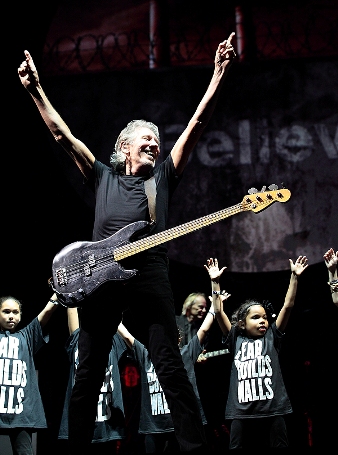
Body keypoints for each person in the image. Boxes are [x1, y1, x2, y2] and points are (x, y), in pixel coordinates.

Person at [18, 31, 236, 455]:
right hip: (99, 279)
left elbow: (197, 123)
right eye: (146, 138)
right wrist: (36, 91)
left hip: (150, 275)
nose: (155, 142)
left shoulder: (162, 180)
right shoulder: (102, 176)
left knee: (172, 368)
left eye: (157, 137)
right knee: (87, 374)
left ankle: (195, 448)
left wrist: (218, 75)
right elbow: (63, 137)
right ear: (124, 147)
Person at [205, 255, 308, 450]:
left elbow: (288, 305)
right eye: (255, 317)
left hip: (273, 410)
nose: (262, 321)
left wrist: (294, 277)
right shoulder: (235, 337)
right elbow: (219, 313)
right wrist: (215, 282)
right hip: (241, 413)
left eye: (264, 318)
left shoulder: (272, 336)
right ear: (242, 323)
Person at [117, 294, 217, 455]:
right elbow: (127, 336)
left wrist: (214, 306)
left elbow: (204, 329)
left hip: (182, 424)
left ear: (178, 339)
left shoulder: (185, 353)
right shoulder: (145, 354)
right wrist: (112, 316)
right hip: (154, 426)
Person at [58, 308, 128, 454]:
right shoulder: (78, 339)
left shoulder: (113, 340)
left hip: (107, 426)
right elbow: (71, 308)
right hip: (80, 425)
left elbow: (120, 326)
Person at [0, 293, 60, 455]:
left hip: (21, 412)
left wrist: (58, 292)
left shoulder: (26, 336)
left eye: (15, 312)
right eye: (6, 311)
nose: (11, 316)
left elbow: (47, 312)